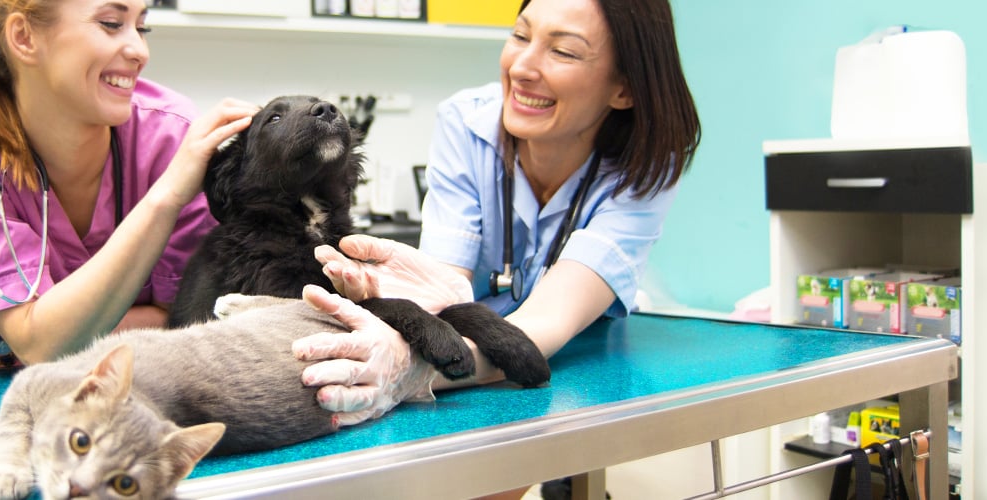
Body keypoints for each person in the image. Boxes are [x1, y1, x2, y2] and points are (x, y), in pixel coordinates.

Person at [297, 0, 700, 496]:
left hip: (573, 358)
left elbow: (546, 325)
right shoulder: (467, 123)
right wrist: (412, 333)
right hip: (473, 347)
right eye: (521, 35)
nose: (523, 67)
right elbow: (444, 290)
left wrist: (410, 371)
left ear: (624, 88)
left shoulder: (647, 165)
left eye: (564, 52)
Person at [0, 0, 256, 374]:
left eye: (142, 27)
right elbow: (39, 342)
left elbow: (190, 317)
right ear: (24, 37)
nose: (140, 51)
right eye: (110, 23)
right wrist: (165, 197)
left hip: (122, 379)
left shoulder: (170, 136)